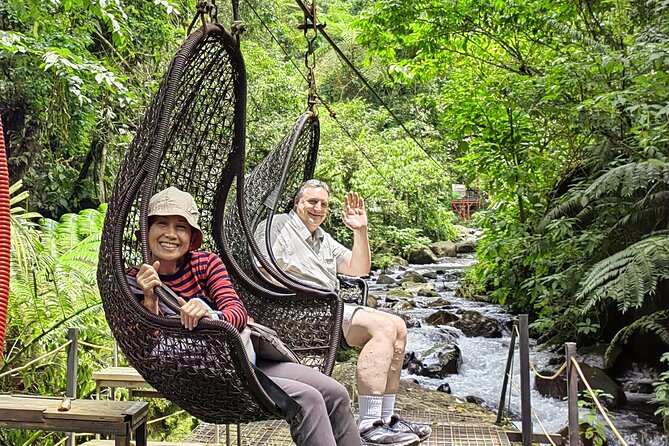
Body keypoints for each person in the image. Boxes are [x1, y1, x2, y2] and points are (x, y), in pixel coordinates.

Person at [128, 186, 363, 446]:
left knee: (336, 392)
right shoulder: (132, 280)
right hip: (211, 373)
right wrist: (150, 299)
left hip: (246, 356)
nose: (171, 234)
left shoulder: (205, 263)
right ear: (147, 230)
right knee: (308, 399)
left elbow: (237, 312)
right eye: (162, 224)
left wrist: (209, 315)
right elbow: (144, 349)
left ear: (191, 236)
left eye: (181, 227)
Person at [255, 180, 432, 446]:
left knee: (398, 325)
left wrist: (361, 231)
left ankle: (386, 418)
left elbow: (358, 268)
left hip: (328, 309)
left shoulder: (322, 238)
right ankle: (369, 424)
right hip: (297, 310)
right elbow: (261, 268)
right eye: (312, 202)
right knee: (381, 327)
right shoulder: (277, 225)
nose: (318, 208)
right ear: (297, 203)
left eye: (323, 204)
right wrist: (302, 291)